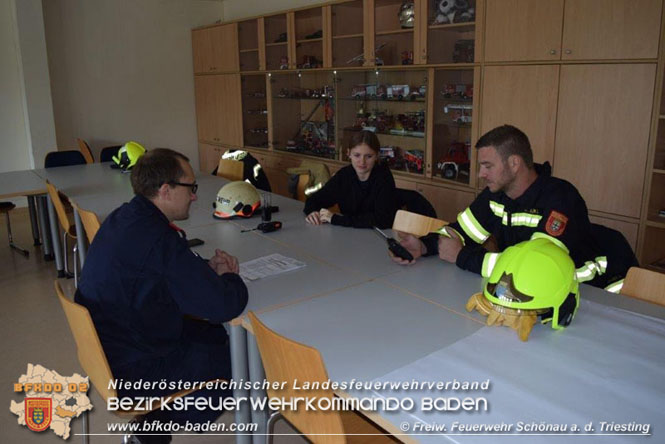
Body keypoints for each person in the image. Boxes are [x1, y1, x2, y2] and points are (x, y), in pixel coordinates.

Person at [76, 148, 248, 443]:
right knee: (238, 360)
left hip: (110, 347)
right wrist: (231, 275)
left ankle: (151, 430)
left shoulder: (125, 217)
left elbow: (160, 275)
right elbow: (224, 305)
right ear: (166, 190)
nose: (194, 195)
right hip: (135, 368)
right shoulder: (157, 238)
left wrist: (205, 269)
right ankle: (154, 425)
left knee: (213, 335)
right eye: (190, 187)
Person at [391, 125, 636, 291]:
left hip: (590, 294)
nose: (480, 174)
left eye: (487, 165)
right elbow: (460, 231)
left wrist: (462, 257)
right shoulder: (496, 195)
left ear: (514, 163)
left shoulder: (560, 198)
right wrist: (425, 245)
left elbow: (536, 268)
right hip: (528, 292)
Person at [303, 130, 398, 229]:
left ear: (377, 156)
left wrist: (336, 219)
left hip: (378, 236)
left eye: (369, 156)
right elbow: (314, 200)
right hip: (349, 234)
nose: (362, 162)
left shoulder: (384, 177)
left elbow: (382, 220)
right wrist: (313, 212)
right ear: (349, 153)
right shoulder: (344, 176)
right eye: (357, 155)